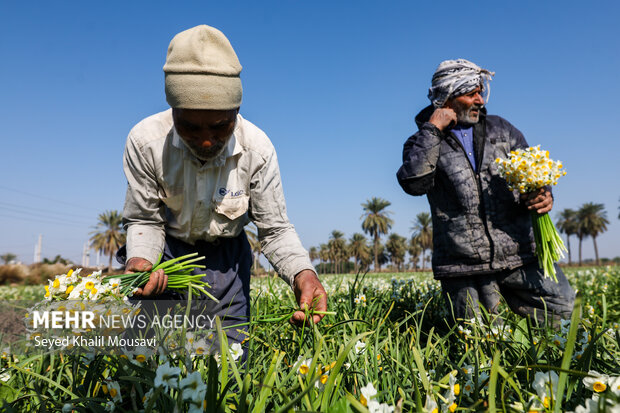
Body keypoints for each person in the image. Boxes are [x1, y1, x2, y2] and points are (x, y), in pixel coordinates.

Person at [118, 25, 327, 347]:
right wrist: (141, 263)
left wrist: (303, 273)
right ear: (173, 112)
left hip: (226, 262)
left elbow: (274, 229)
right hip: (166, 256)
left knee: (228, 356)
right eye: (189, 126)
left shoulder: (257, 149)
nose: (205, 140)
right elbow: (144, 218)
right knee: (151, 354)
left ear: (236, 111)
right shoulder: (146, 141)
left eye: (220, 126)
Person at [396, 59, 574, 324]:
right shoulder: (423, 141)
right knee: (481, 345)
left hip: (520, 254)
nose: (480, 100)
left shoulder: (502, 130)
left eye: (480, 91)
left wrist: (543, 195)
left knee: (563, 315)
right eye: (472, 94)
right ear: (448, 98)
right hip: (464, 265)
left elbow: (536, 172)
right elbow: (414, 183)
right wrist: (433, 130)